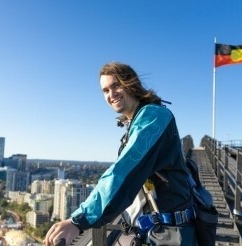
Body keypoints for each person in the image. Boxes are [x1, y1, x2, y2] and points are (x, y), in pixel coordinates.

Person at [44, 62, 196, 245]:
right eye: (105, 90)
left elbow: (123, 172)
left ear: (130, 83)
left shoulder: (154, 118)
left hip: (171, 233)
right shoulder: (138, 121)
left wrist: (78, 220)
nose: (111, 94)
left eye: (116, 85)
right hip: (155, 228)